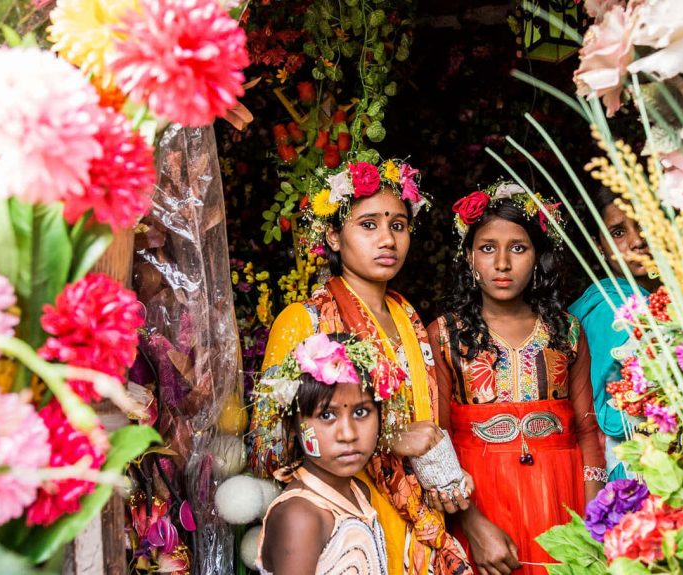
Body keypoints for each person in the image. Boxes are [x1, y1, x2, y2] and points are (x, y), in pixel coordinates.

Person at [249, 159, 472, 575]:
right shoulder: (304, 321)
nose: (387, 239)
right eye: (368, 224)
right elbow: (266, 448)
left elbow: (429, 427)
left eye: (399, 225)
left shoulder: (408, 317)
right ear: (333, 236)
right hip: (345, 525)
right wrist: (385, 438)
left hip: (422, 528)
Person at [427, 181, 606, 575]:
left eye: (518, 248)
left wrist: (592, 526)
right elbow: (436, 441)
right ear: (469, 257)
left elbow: (588, 433)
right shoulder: (444, 335)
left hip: (562, 497)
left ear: (539, 257)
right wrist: (472, 525)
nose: (502, 264)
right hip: (481, 500)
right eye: (488, 248)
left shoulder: (567, 331)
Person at [256, 332, 399, 575]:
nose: (348, 434)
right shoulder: (301, 516)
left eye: (361, 412)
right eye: (327, 415)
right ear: (293, 425)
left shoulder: (359, 491)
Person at [568, 188, 660, 480]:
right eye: (618, 232)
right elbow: (611, 416)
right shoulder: (610, 308)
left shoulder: (675, 298)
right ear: (599, 246)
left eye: (644, 224)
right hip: (631, 467)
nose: (637, 241)